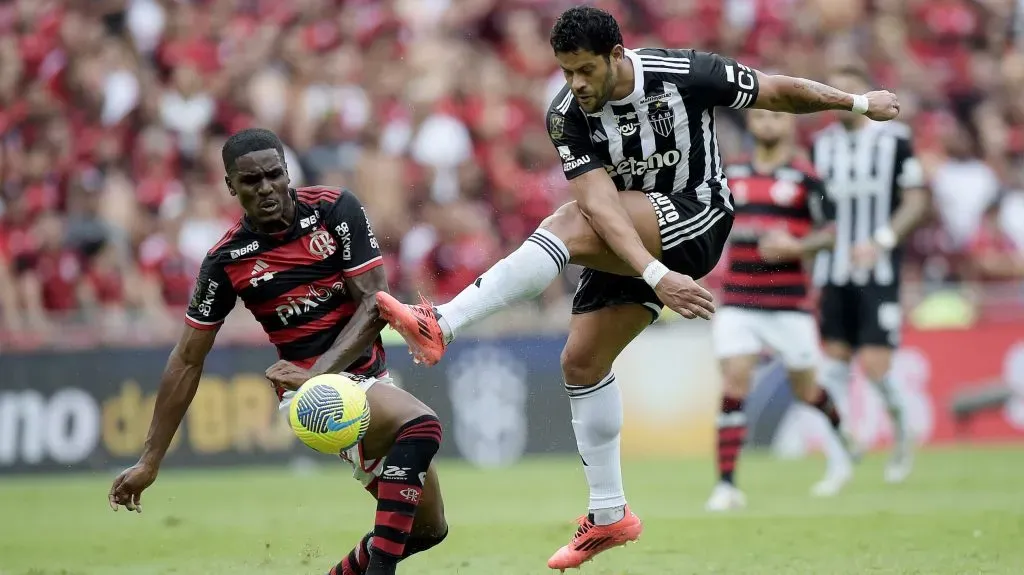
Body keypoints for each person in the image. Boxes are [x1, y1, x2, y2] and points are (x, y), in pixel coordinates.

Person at [375, 6, 901, 570]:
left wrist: (858, 103)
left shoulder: (684, 73)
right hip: (633, 238)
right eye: (566, 72)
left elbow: (776, 91)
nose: (575, 84)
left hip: (698, 217)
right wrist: (654, 275)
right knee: (580, 363)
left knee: (567, 224)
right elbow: (601, 202)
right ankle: (609, 514)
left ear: (616, 57)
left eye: (585, 71)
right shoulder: (565, 113)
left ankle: (444, 322)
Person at [107, 128, 447, 575]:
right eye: (252, 181)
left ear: (288, 173)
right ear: (231, 186)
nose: (266, 188)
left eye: (274, 175)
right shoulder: (226, 261)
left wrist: (320, 370)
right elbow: (188, 359)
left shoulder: (334, 209)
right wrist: (150, 460)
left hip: (355, 378)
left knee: (427, 530)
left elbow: (375, 303)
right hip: (309, 395)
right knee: (421, 427)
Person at [706, 108, 855, 512]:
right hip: (738, 298)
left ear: (789, 124)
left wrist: (798, 247)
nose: (767, 124)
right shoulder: (730, 171)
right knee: (735, 382)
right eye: (760, 118)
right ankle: (726, 485)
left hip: (789, 302)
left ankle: (844, 443)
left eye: (776, 118)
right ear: (751, 124)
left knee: (807, 391)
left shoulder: (808, 177)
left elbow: (833, 231)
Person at [810, 66, 930, 484]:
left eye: (850, 88)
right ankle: (839, 461)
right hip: (833, 271)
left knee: (877, 368)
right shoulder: (820, 146)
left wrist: (880, 239)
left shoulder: (895, 140)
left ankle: (901, 438)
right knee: (834, 369)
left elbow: (915, 202)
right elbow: (813, 211)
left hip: (878, 270)